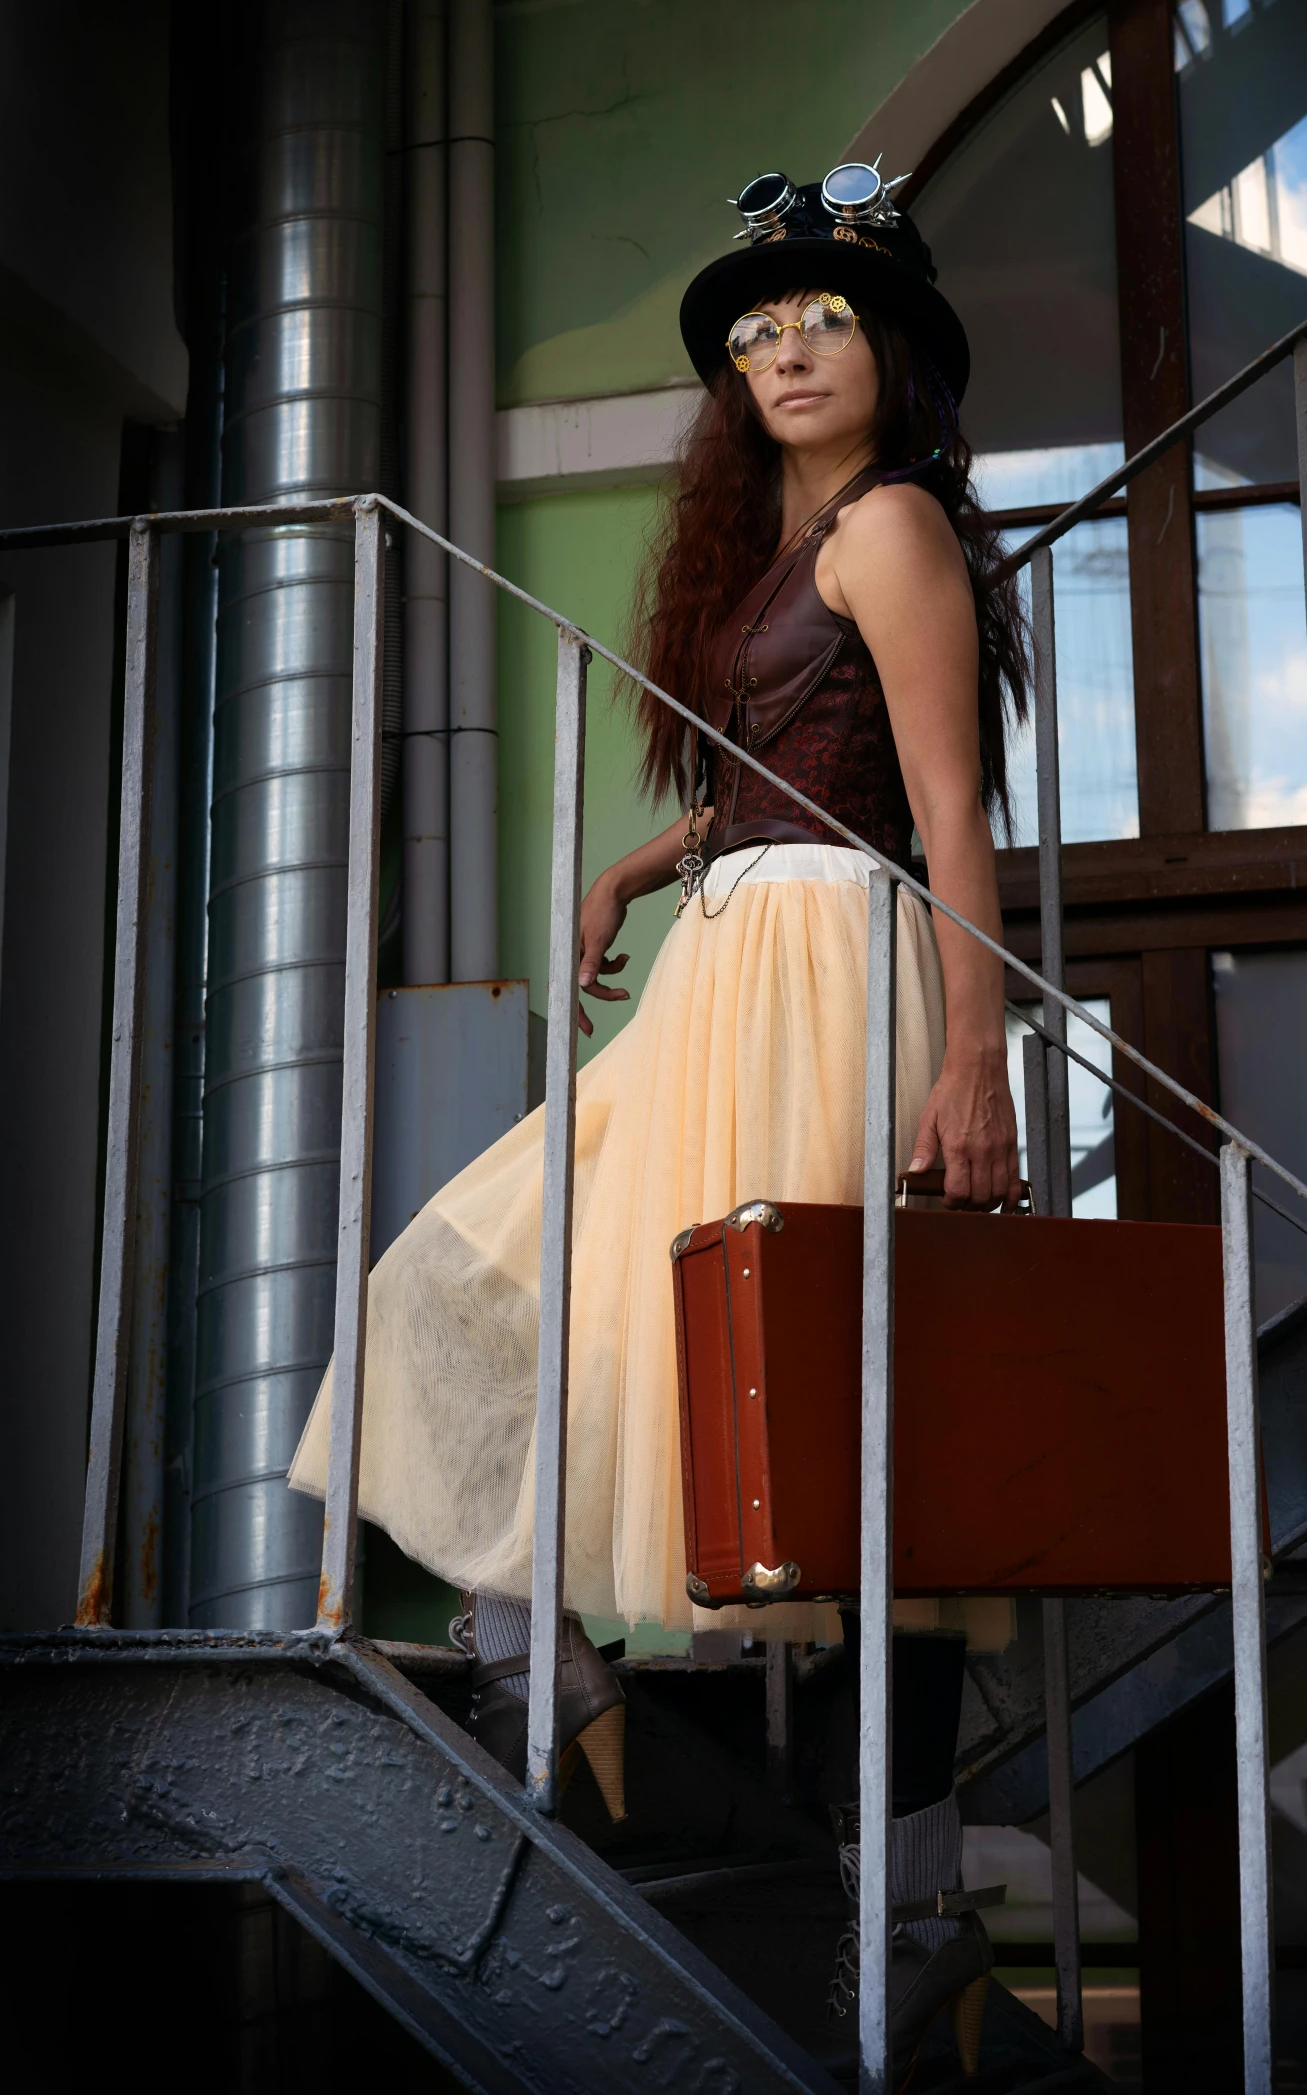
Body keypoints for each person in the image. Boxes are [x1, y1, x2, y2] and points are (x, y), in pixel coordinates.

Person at [290, 160, 1029, 2077]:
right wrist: (646, 856)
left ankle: (909, 1899)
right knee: (473, 1281)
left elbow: (944, 812)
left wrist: (975, 1056)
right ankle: (561, 1665)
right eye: (758, 326)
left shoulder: (896, 532)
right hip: (725, 968)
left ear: (898, 357)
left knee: (850, 1444)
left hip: (829, 984)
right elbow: (803, 767)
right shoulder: (783, 553)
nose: (788, 344)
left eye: (829, 315)